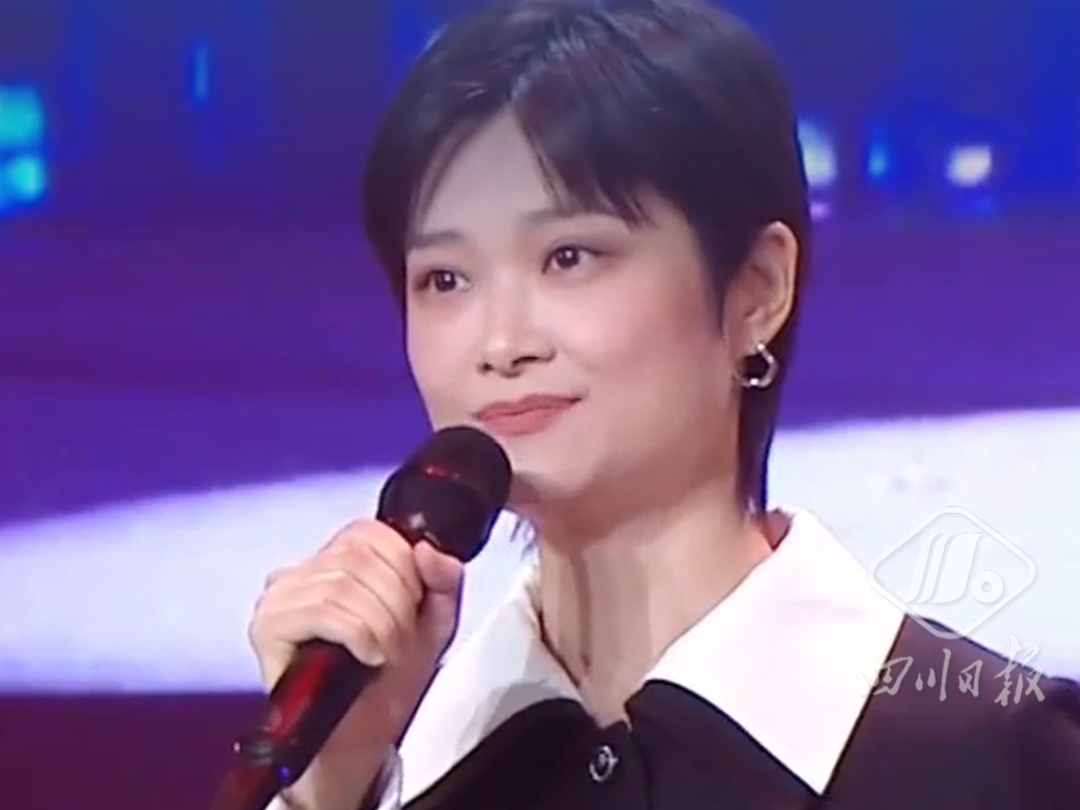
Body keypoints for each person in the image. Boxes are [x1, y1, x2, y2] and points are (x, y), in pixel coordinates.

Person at [248, 1, 1080, 808]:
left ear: (757, 288)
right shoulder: (399, 771)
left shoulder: (991, 760)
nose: (499, 343)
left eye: (569, 257)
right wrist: (325, 791)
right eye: (444, 279)